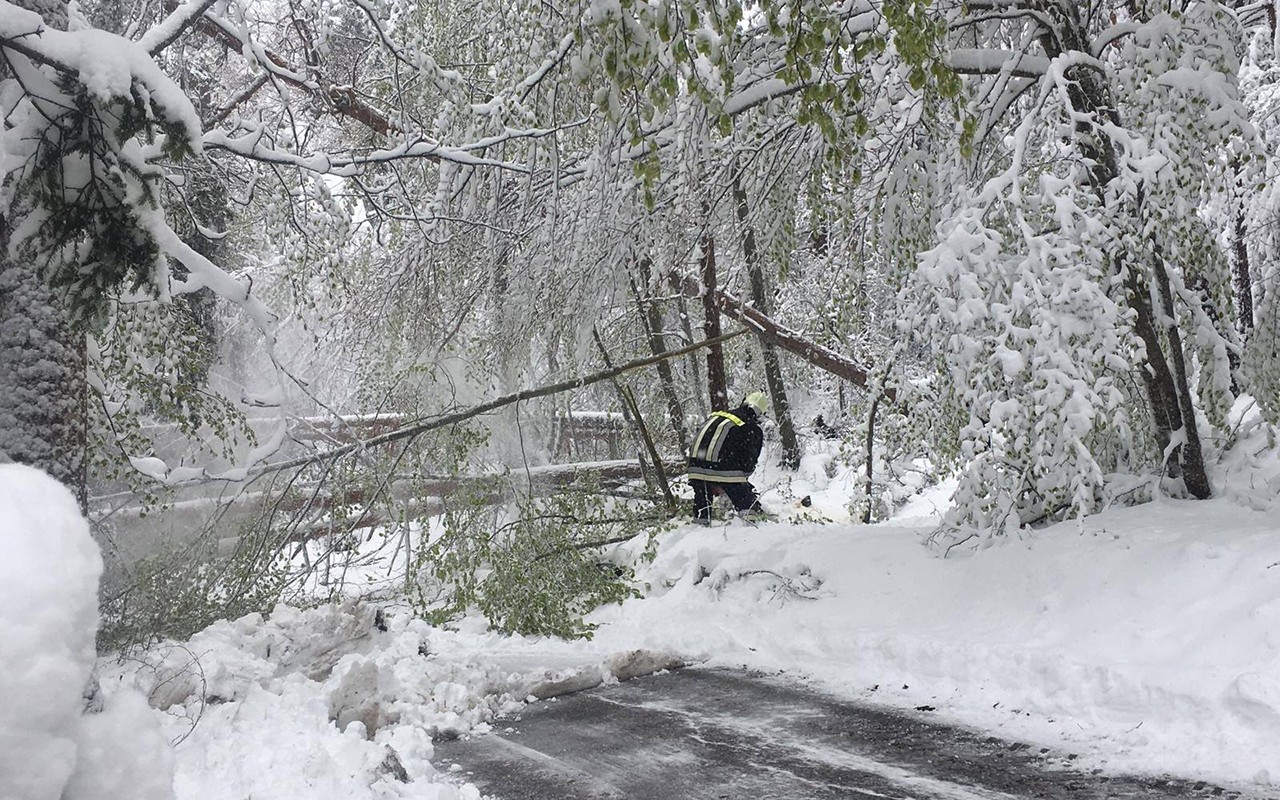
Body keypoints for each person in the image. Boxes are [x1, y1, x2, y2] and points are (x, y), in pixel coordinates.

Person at [687, 391, 769, 525]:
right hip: (722, 467)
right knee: (745, 501)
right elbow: (749, 461)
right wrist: (742, 482)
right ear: (760, 413)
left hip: (695, 468)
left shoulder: (720, 416)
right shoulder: (750, 427)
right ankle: (751, 529)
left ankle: (700, 528)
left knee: (702, 504)